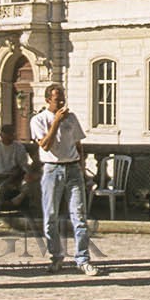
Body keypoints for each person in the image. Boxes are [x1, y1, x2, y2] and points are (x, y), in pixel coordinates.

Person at [30, 82, 99, 276]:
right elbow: (44, 145)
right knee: (50, 216)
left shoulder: (72, 118)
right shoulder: (39, 120)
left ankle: (83, 259)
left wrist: (83, 168)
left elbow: (78, 144)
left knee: (79, 215)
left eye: (63, 98)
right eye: (56, 99)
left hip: (73, 168)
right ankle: (56, 256)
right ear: (47, 100)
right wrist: (56, 122)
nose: (61, 102)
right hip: (52, 170)